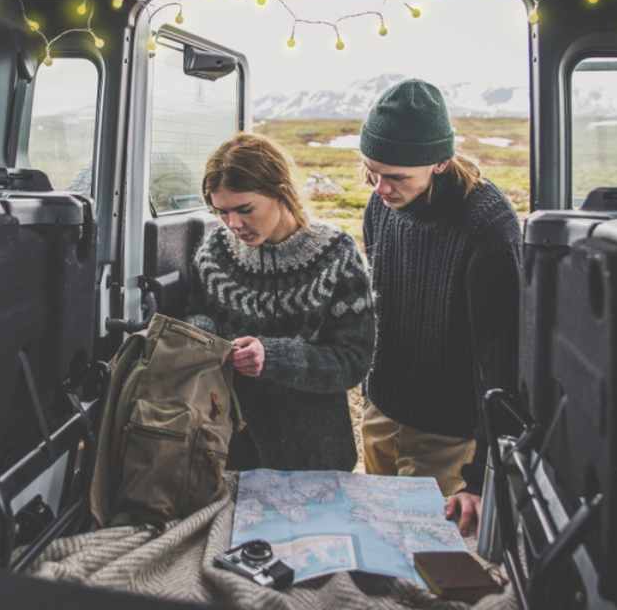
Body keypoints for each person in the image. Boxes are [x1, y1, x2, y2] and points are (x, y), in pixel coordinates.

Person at [357, 78, 521, 535]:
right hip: (381, 413)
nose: (380, 189)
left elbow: (502, 360)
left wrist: (481, 475)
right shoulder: (381, 205)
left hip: (447, 435)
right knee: (378, 535)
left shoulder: (488, 227)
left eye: (396, 177)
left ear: (441, 162)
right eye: (371, 172)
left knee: (425, 554)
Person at [184, 132, 375, 471]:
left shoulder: (336, 255)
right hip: (230, 449)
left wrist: (273, 357)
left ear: (281, 191)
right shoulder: (213, 252)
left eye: (245, 209)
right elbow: (195, 315)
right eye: (222, 212)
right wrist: (203, 339)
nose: (233, 224)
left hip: (315, 453)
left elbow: (353, 360)